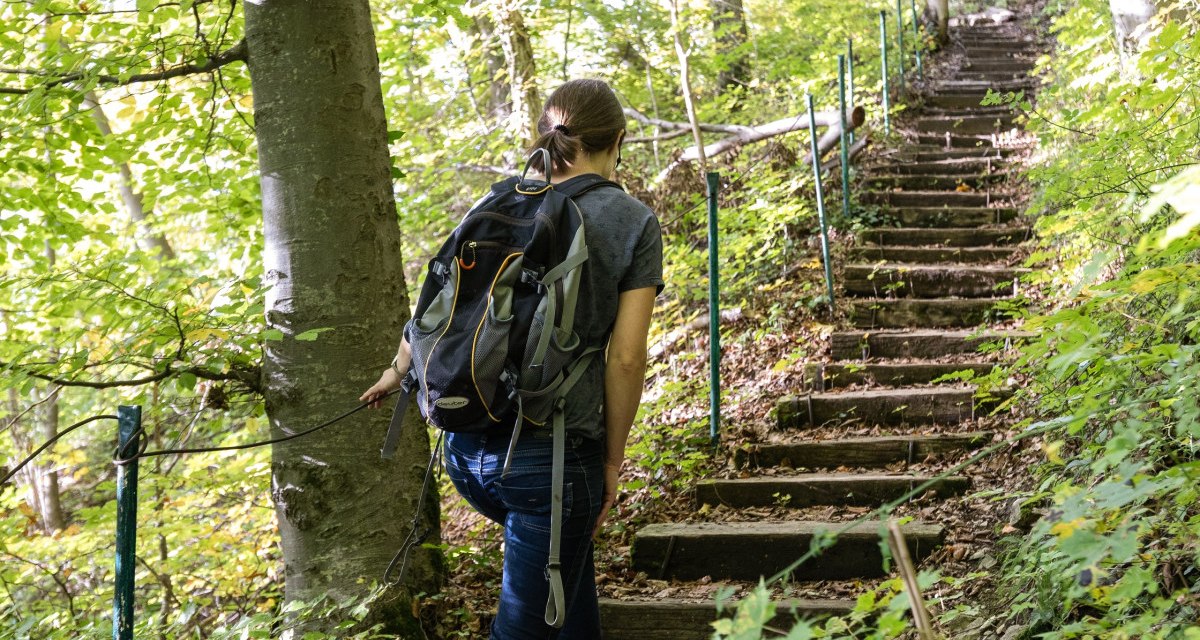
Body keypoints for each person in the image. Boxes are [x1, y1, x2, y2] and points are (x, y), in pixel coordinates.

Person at [360, 78, 663, 639]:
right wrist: (611, 463)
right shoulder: (632, 221)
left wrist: (397, 369)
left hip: (464, 448)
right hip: (550, 464)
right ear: (618, 140)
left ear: (547, 136)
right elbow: (625, 358)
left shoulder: (498, 200)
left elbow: (442, 302)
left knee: (569, 601)